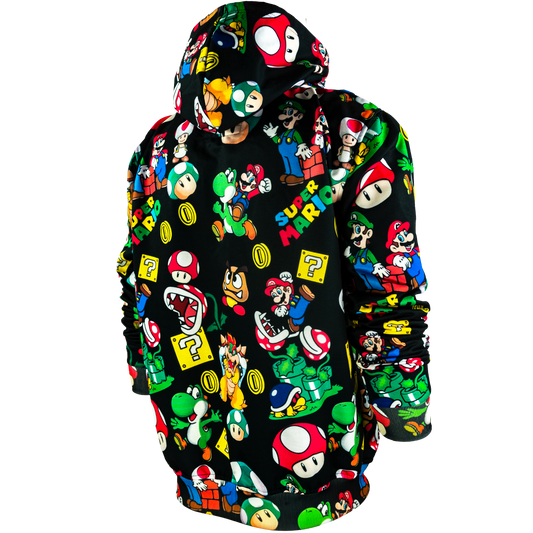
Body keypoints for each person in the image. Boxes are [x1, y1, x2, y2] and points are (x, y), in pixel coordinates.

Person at [113, 1, 434, 530]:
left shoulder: (153, 146)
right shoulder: (357, 128)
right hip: (325, 473)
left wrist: (140, 378)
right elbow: (389, 282)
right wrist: (406, 413)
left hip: (193, 462)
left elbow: (132, 278)